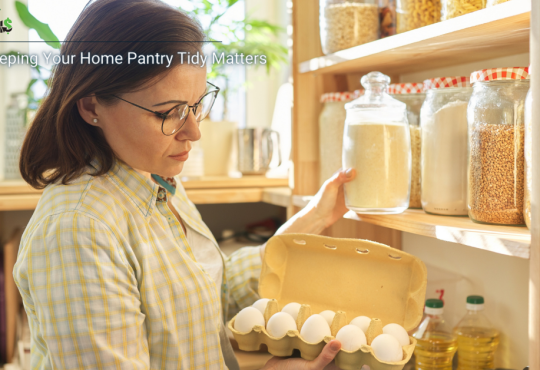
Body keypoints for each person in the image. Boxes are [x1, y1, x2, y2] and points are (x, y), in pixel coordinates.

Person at [13, 0, 355, 369]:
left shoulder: (155, 178)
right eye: (169, 112)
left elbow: (212, 292)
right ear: (91, 107)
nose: (194, 131)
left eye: (196, 105)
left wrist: (313, 219)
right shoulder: (78, 230)